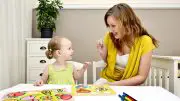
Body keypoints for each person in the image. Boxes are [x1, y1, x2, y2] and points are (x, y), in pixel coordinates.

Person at [96, 3, 158, 86]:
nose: (111, 30)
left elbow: (142, 77)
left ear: (126, 23)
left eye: (113, 26)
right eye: (109, 26)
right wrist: (102, 54)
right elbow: (109, 64)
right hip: (107, 80)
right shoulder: (110, 37)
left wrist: (114, 84)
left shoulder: (145, 41)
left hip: (129, 85)